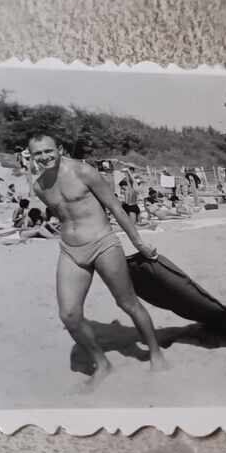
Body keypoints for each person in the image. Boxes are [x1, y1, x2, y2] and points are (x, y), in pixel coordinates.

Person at [25, 134, 168, 381]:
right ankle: (102, 364)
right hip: (70, 250)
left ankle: (155, 353)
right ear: (31, 156)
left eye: (48, 151)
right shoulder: (39, 186)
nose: (44, 157)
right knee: (69, 315)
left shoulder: (83, 171)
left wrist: (139, 243)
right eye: (38, 154)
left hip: (103, 243)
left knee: (127, 303)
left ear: (59, 149)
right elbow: (63, 215)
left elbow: (115, 207)